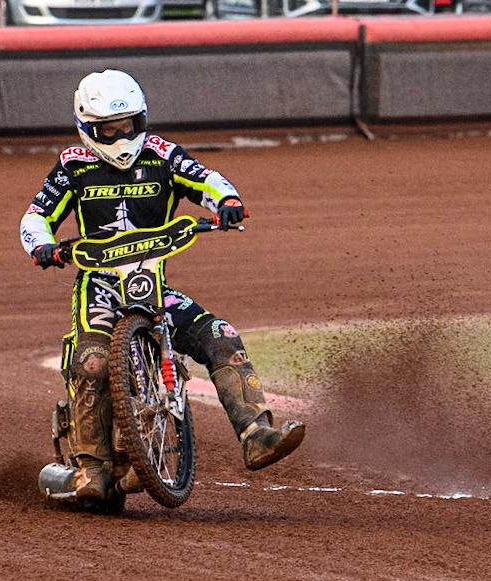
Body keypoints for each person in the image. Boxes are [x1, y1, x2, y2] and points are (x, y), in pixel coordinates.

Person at [20, 69, 305, 500]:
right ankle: (89, 468)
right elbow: (35, 217)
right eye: (109, 130)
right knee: (93, 362)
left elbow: (205, 177)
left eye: (128, 125)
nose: (121, 137)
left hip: (152, 285)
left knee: (220, 335)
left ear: (142, 120)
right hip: (97, 285)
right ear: (87, 129)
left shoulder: (162, 154)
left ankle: (256, 432)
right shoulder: (71, 166)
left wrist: (227, 201)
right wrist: (43, 246)